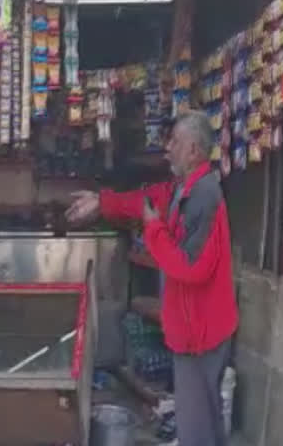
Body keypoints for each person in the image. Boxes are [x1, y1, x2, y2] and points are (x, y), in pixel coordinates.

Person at [66, 110, 238, 446]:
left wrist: (153, 228)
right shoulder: (182, 189)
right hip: (191, 330)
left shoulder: (204, 195)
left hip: (200, 334)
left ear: (193, 150)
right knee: (205, 422)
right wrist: (102, 202)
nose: (167, 149)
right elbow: (142, 202)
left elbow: (190, 268)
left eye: (174, 142)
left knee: (196, 430)